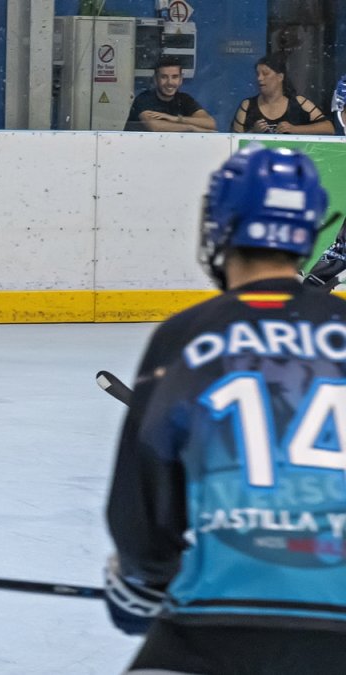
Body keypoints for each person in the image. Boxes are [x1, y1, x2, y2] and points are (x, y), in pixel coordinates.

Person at [103, 144, 346, 674]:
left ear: (220, 224)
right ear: (307, 230)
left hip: (215, 629)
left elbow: (140, 522)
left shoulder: (185, 337)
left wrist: (138, 587)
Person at [231, 54, 333, 135]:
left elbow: (329, 128)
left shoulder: (299, 103)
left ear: (280, 77)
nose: (259, 78)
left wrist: (295, 129)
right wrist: (253, 132)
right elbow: (232, 141)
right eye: (258, 74)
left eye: (265, 73)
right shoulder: (247, 105)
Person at [123, 56, 216, 132]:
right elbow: (156, 127)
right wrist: (191, 128)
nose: (170, 82)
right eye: (164, 77)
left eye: (174, 77)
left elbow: (210, 123)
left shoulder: (184, 99)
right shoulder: (144, 99)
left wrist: (176, 119)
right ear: (155, 79)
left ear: (181, 80)